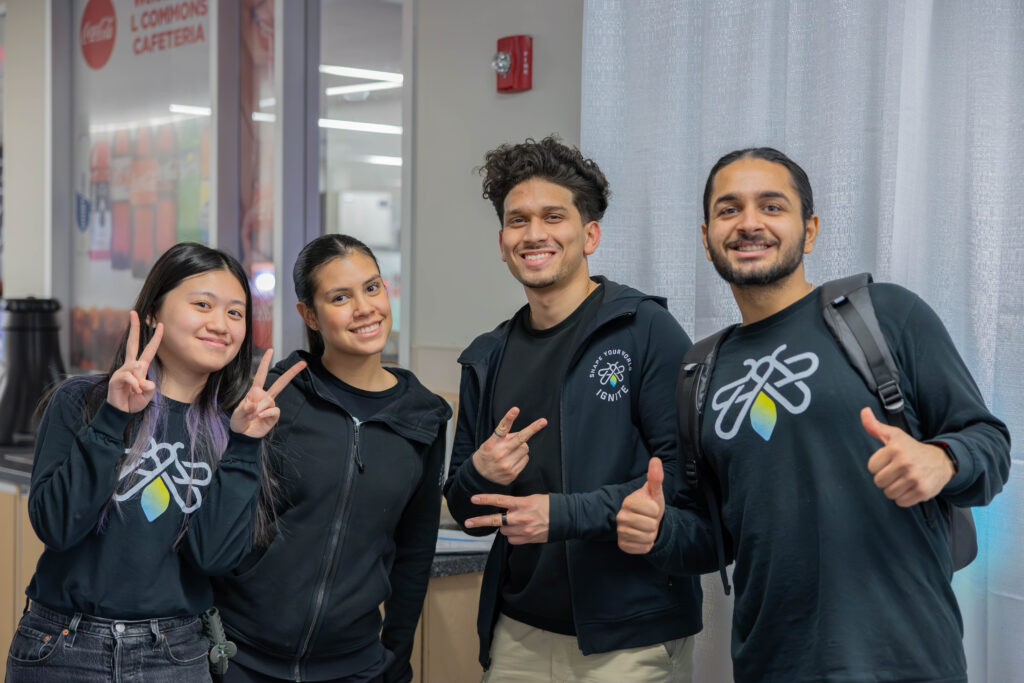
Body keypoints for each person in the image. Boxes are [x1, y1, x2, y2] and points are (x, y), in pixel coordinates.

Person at [617, 147, 1012, 682]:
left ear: (810, 229)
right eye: (729, 209)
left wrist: (943, 460)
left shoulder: (888, 314)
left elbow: (989, 444)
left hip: (906, 659)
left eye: (772, 206)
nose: (749, 222)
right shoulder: (698, 370)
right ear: (706, 236)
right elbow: (715, 538)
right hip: (770, 665)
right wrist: (659, 531)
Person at [444, 136, 703, 682]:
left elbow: (680, 481)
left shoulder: (644, 330)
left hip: (630, 635)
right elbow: (466, 510)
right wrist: (478, 473)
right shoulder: (487, 357)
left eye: (553, 216)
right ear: (501, 241)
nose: (534, 233)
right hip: (517, 631)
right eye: (518, 220)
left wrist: (561, 515)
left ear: (590, 235)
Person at [6, 242, 304, 683]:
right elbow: (57, 526)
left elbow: (214, 557)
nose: (220, 325)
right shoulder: (83, 402)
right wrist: (113, 419)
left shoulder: (235, 429)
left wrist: (243, 446)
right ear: (152, 314)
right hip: (62, 645)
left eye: (236, 313)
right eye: (203, 304)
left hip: (176, 653)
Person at [213, 234, 452, 683]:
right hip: (240, 660)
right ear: (310, 315)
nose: (364, 308)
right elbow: (218, 522)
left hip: (354, 667)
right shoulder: (272, 396)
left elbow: (414, 553)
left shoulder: (424, 416)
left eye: (373, 288)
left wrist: (395, 661)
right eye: (340, 297)